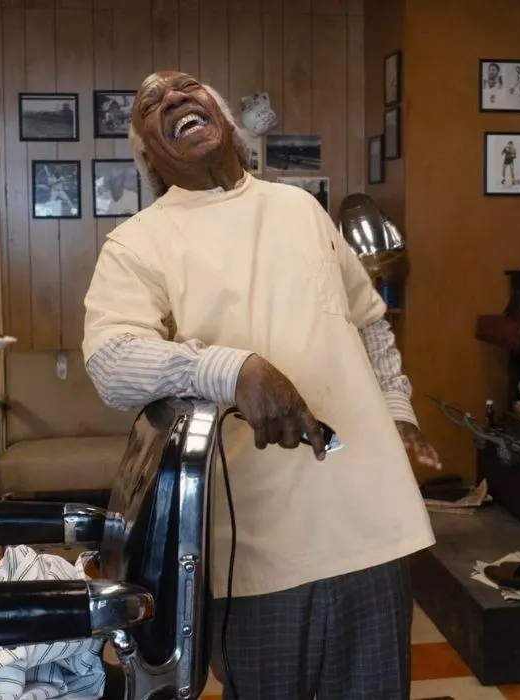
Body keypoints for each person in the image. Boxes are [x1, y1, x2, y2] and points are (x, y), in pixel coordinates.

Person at [81, 70, 440, 699]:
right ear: (149, 157)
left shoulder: (300, 208)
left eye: (187, 87)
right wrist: (233, 369)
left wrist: (397, 411)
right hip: (257, 546)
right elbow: (111, 363)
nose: (174, 98)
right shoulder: (137, 243)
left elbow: (368, 324)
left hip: (372, 522)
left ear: (224, 118)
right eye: (152, 105)